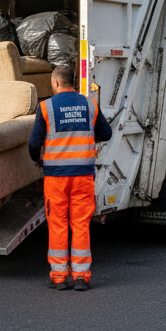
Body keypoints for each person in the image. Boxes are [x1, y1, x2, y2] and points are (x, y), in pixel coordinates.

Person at [29, 65, 112, 291]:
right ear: (72, 82)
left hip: (56, 178)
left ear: (56, 82)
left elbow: (34, 143)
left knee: (58, 223)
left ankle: (59, 277)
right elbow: (106, 133)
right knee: (81, 224)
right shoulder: (89, 104)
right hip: (83, 176)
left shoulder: (46, 107)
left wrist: (37, 158)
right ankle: (81, 277)